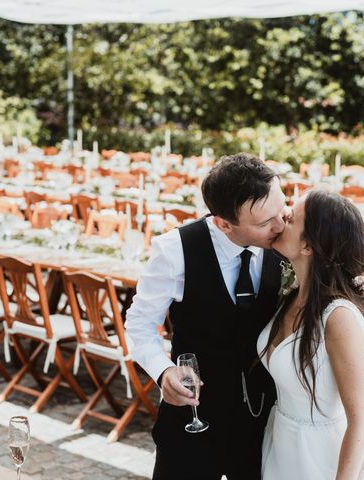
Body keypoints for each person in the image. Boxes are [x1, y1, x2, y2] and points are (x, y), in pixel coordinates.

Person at [125, 153, 289, 480]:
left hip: (266, 420)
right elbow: (139, 323)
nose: (281, 225)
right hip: (194, 416)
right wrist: (163, 371)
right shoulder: (175, 250)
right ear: (224, 223)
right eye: (263, 223)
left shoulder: (288, 240)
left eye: (282, 207)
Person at [257, 190, 364, 480]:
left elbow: (360, 420)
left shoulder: (339, 317)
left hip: (321, 456)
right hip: (281, 443)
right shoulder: (290, 298)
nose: (282, 218)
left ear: (307, 245)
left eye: (291, 218)